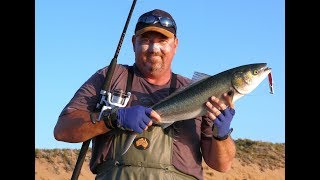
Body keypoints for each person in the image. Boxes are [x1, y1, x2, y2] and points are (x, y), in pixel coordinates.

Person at [54, 9, 236, 180]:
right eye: (146, 40)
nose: (154, 48)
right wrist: (111, 119)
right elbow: (62, 130)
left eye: (163, 41)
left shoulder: (199, 90)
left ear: (175, 45)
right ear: (134, 43)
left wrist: (222, 135)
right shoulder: (110, 77)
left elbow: (221, 165)